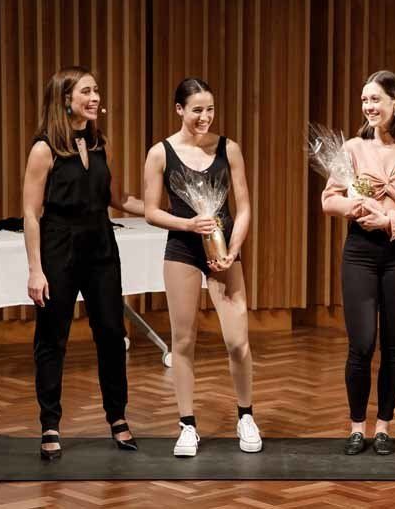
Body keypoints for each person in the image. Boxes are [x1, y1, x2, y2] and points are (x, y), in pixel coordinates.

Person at [23, 66, 144, 460]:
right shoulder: (44, 149)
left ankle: (117, 417)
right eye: (87, 92)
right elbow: (31, 214)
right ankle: (50, 423)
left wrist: (168, 211)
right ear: (65, 99)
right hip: (59, 247)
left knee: (111, 332)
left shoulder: (99, 143)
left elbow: (118, 198)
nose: (95, 98)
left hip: (101, 246)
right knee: (52, 337)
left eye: (96, 91)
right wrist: (35, 269)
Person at [143, 78, 261, 457]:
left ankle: (245, 416)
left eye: (210, 109)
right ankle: (187, 424)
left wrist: (233, 250)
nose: (205, 117)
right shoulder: (160, 153)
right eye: (197, 110)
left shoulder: (229, 149)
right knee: (182, 340)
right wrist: (189, 224)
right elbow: (151, 211)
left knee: (237, 341)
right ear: (179, 110)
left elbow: (243, 207)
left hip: (223, 249)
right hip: (182, 248)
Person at [322, 70, 395, 456]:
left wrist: (387, 220)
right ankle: (357, 427)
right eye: (364, 100)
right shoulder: (352, 148)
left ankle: (384, 426)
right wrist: (355, 206)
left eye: (375, 99)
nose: (368, 106)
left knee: (393, 344)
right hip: (360, 251)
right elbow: (329, 199)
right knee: (361, 343)